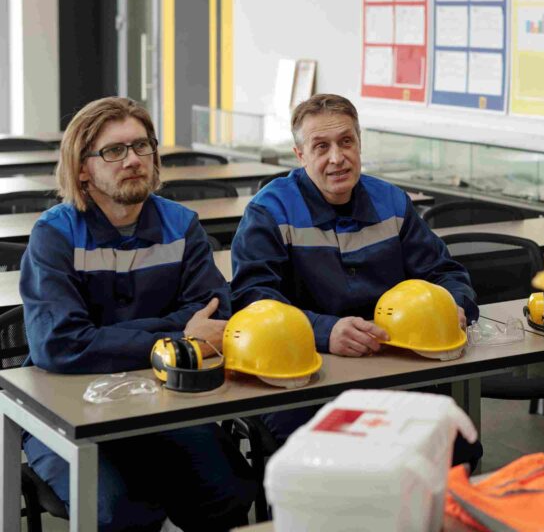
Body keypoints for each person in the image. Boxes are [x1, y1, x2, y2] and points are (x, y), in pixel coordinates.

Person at [19, 97, 256, 531]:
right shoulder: (54, 234)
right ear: (83, 168)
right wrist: (179, 337)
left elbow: (214, 314)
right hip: (66, 409)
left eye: (142, 146)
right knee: (117, 513)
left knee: (227, 491)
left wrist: (106, 336)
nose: (132, 160)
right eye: (114, 150)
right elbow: (61, 344)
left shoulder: (181, 224)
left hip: (162, 401)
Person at [231, 93, 482, 464]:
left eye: (346, 141)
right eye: (321, 147)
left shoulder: (392, 202)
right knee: (329, 463)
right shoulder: (269, 211)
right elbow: (253, 300)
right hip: (302, 375)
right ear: (300, 156)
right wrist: (325, 331)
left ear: (359, 144)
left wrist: (454, 304)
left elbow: (445, 272)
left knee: (456, 447)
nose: (337, 158)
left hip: (391, 365)